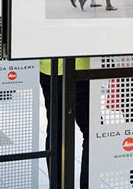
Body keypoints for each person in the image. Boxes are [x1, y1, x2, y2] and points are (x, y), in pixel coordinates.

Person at [40, 58, 90, 189]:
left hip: (48, 68)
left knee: (56, 130)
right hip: (78, 69)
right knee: (92, 131)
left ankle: (57, 185)